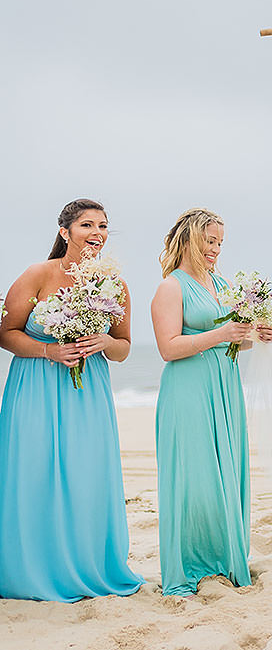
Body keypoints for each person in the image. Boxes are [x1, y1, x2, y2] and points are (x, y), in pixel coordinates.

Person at [0, 198, 143, 601]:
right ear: (65, 233)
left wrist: (104, 342)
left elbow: (125, 348)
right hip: (36, 386)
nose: (96, 234)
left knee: (85, 476)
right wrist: (49, 350)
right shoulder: (38, 274)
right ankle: (29, 568)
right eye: (87, 226)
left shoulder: (114, 283)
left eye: (102, 227)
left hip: (87, 392)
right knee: (33, 471)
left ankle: (85, 565)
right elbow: (6, 332)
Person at [151, 208, 272, 597]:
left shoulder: (221, 283)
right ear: (189, 239)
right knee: (195, 478)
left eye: (220, 242)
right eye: (209, 241)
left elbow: (232, 338)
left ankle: (223, 558)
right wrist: (223, 332)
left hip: (224, 385)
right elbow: (168, 348)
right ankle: (190, 564)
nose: (216, 249)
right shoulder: (171, 287)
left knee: (225, 473)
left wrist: (258, 336)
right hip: (188, 388)